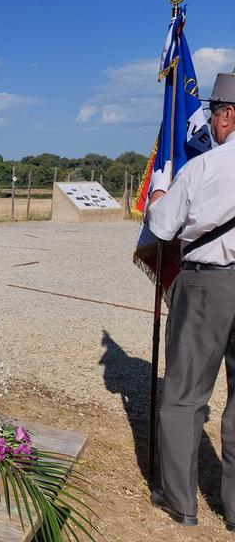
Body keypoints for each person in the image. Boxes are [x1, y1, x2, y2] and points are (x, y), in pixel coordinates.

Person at [147, 72, 235, 532]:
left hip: (210, 285)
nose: (211, 126)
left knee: (184, 395)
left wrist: (160, 190)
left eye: (215, 115)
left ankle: (182, 502)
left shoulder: (203, 167)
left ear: (228, 115)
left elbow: (163, 226)